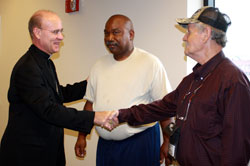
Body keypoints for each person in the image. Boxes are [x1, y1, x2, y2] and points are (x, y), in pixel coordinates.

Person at [110, 6, 250, 166]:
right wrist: (119, 115)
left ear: (206, 34)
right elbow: (159, 108)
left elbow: (236, 152)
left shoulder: (233, 81)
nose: (184, 38)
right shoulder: (191, 81)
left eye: (189, 32)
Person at [0, 10, 112, 166]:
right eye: (55, 32)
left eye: (61, 31)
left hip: (47, 150)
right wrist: (94, 117)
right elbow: (49, 110)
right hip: (28, 154)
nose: (61, 37)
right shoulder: (27, 67)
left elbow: (57, 94)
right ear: (37, 33)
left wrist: (89, 84)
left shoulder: (46, 62)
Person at [74, 14, 173, 166]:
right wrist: (82, 135)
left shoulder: (150, 63)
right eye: (106, 33)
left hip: (140, 143)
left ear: (131, 34)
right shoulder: (98, 65)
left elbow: (164, 108)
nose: (109, 38)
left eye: (116, 32)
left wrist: (167, 142)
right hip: (106, 146)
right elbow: (90, 105)